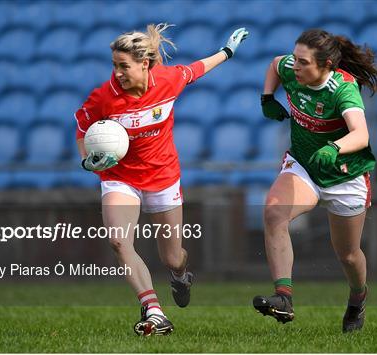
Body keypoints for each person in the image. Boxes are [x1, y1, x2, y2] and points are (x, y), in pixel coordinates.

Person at [74, 24, 248, 336]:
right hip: (120, 177)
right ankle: (154, 310)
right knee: (118, 240)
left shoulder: (168, 80)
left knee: (173, 257)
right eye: (114, 65)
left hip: (163, 176)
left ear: (145, 64)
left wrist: (227, 52)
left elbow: (196, 69)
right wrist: (88, 160)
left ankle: (181, 276)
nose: (117, 73)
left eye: (123, 66)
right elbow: (83, 128)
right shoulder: (103, 96)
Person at [253, 29, 377, 333]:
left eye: (303, 62)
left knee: (348, 255)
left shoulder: (342, 90)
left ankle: (358, 297)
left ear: (325, 66)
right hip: (305, 167)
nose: (294, 66)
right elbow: (274, 64)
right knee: (274, 213)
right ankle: (284, 297)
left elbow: (361, 135)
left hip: (345, 176)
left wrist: (334, 147)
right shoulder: (291, 68)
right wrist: (267, 96)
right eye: (295, 58)